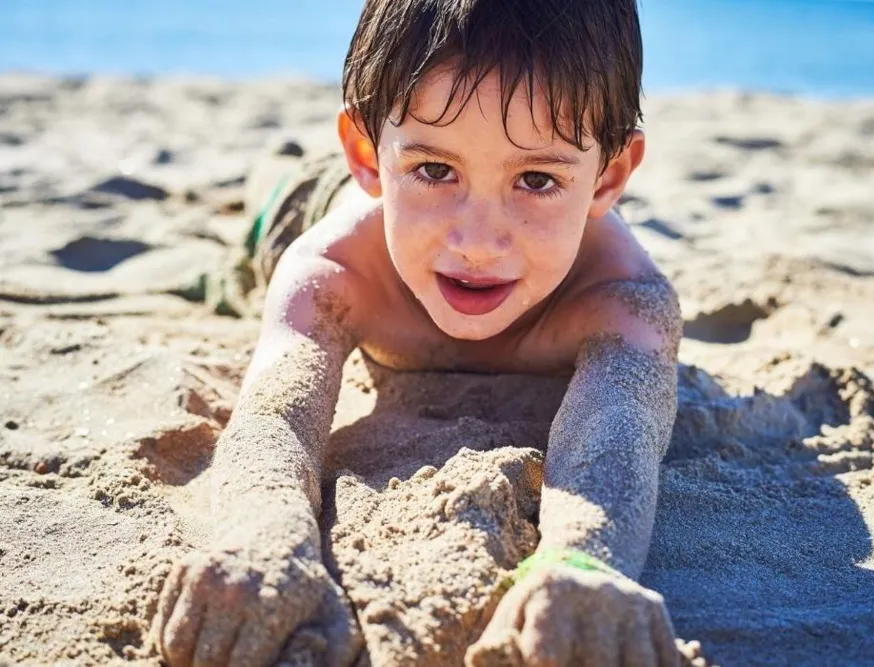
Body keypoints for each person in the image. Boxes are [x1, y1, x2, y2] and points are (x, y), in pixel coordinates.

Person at [152, 0, 683, 664]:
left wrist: (584, 560)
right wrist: (265, 534)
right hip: (302, 205)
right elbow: (275, 415)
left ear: (608, 176)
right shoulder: (332, 270)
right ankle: (284, 165)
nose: (479, 243)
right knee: (269, 195)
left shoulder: (625, 300)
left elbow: (622, 425)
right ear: (369, 155)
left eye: (537, 179)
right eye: (436, 170)